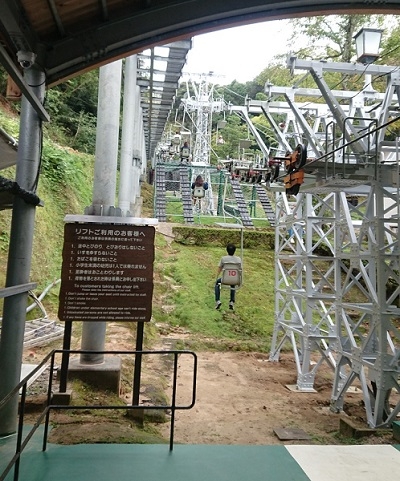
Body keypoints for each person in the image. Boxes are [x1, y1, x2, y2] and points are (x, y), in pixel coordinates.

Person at [215, 243, 242, 311]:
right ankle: (232, 302)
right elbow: (240, 270)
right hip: (235, 279)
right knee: (233, 285)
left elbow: (219, 268)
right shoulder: (238, 259)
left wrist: (216, 277)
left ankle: (218, 300)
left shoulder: (223, 259)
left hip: (225, 279)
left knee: (217, 283)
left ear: (226, 250)